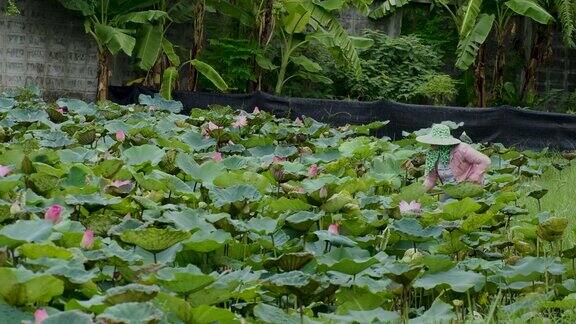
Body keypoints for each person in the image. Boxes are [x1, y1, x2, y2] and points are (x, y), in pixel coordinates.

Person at [416, 124, 491, 193]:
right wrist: (419, 193)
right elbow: (430, 180)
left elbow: (485, 161)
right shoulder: (432, 155)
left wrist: (475, 176)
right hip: (451, 191)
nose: (431, 144)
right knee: (443, 205)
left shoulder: (461, 149)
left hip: (471, 186)